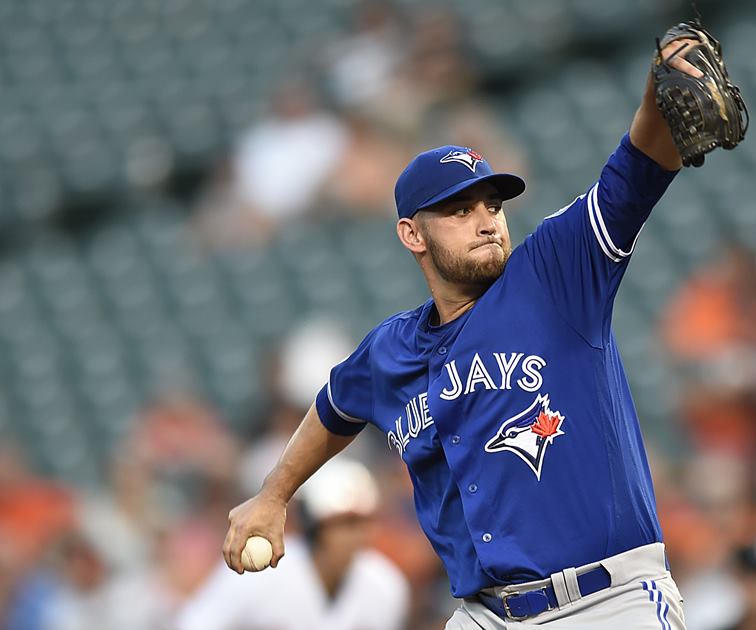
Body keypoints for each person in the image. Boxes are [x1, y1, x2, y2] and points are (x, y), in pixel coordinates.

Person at [222, 31, 712, 629]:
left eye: (492, 205)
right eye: (460, 210)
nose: (485, 221)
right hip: (487, 616)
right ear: (412, 234)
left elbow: (635, 171)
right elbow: (335, 409)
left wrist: (655, 99)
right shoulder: (390, 351)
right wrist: (274, 494)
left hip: (608, 602)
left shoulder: (555, 274)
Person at [178, 458, 409, 630]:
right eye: (343, 524)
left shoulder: (386, 584)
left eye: (363, 522)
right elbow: (195, 623)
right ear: (313, 526)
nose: (356, 535)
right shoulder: (261, 574)